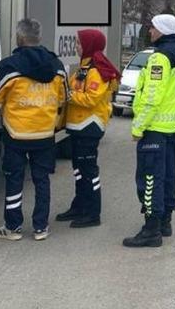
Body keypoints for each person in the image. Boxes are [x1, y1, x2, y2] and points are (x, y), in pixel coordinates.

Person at [0, 18, 67, 241]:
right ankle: (41, 227)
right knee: (42, 180)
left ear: (19, 38)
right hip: (45, 133)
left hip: (16, 133)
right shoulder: (56, 66)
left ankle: (13, 228)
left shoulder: (10, 65)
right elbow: (64, 97)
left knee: (14, 179)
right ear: (39, 38)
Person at [123, 14, 175, 248]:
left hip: (154, 128)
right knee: (168, 176)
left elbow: (152, 96)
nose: (149, 31)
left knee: (150, 179)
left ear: (162, 29)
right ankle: (165, 222)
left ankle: (151, 230)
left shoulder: (160, 57)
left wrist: (138, 127)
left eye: (152, 27)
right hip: (171, 127)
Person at [56, 29, 120, 228]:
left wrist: (67, 95)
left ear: (89, 45)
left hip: (89, 127)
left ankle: (93, 213)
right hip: (78, 126)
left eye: (79, 42)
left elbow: (91, 98)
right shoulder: (84, 68)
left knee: (88, 171)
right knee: (78, 170)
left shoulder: (96, 70)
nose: (76, 46)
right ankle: (79, 205)